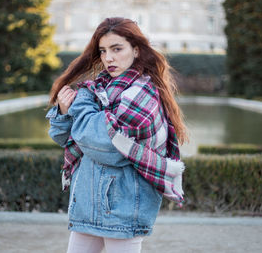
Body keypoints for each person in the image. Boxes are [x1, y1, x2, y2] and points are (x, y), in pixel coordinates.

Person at [46, 17, 188, 253]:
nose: (108, 58)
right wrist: (63, 111)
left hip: (122, 210)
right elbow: (65, 139)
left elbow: (107, 147)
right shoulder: (97, 88)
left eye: (116, 49)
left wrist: (79, 105)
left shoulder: (143, 93)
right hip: (86, 205)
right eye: (102, 51)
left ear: (136, 50)